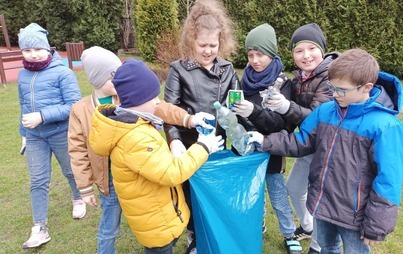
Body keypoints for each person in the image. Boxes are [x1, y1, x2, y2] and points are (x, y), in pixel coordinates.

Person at [248, 48, 403, 254]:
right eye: (332, 87)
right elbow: (301, 141)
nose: (335, 94)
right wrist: (264, 141)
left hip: (355, 215)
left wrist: (377, 224)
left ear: (366, 87)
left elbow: (389, 178)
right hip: (323, 204)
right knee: (327, 248)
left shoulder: (384, 126)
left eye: (342, 90)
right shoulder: (326, 111)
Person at [68, 46, 220, 254]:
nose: (157, 101)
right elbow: (171, 173)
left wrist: (189, 119)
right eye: (153, 97)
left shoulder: (129, 108)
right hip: (139, 207)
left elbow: (161, 108)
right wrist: (204, 146)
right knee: (112, 227)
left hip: (149, 196)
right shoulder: (133, 134)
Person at [163, 0, 238, 252]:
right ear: (190, 42)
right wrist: (173, 139)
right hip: (187, 143)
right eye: (202, 45)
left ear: (221, 42)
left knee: (213, 190)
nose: (207, 51)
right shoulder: (178, 69)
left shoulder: (227, 69)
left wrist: (240, 125)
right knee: (190, 192)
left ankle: (215, 230)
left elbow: (235, 107)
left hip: (216, 143)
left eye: (213, 45)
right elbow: (169, 109)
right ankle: (194, 234)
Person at [264, 23, 339, 254]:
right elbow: (293, 118)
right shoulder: (299, 78)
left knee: (320, 200)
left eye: (311, 48)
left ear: (322, 50)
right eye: (299, 50)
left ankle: (318, 246)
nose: (306, 55)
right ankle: (307, 227)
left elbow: (318, 119)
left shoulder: (331, 77)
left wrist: (287, 106)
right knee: (294, 188)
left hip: (328, 151)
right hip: (307, 147)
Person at [231, 23, 302, 253]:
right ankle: (258, 222)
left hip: (273, 149)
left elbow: (282, 123)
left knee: (278, 194)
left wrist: (251, 112)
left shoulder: (283, 83)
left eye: (260, 54)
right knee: (253, 191)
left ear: (271, 53)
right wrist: (235, 114)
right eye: (250, 54)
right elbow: (239, 116)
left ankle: (289, 232)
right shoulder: (244, 79)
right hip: (248, 149)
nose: (254, 60)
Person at [17, 23, 85, 249]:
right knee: (37, 180)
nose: (33, 54)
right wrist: (23, 133)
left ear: (47, 48)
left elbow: (74, 105)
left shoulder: (63, 73)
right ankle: (39, 228)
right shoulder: (22, 75)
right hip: (34, 136)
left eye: (37, 48)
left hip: (60, 132)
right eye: (27, 50)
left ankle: (78, 198)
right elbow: (23, 105)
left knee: (69, 170)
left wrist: (43, 116)